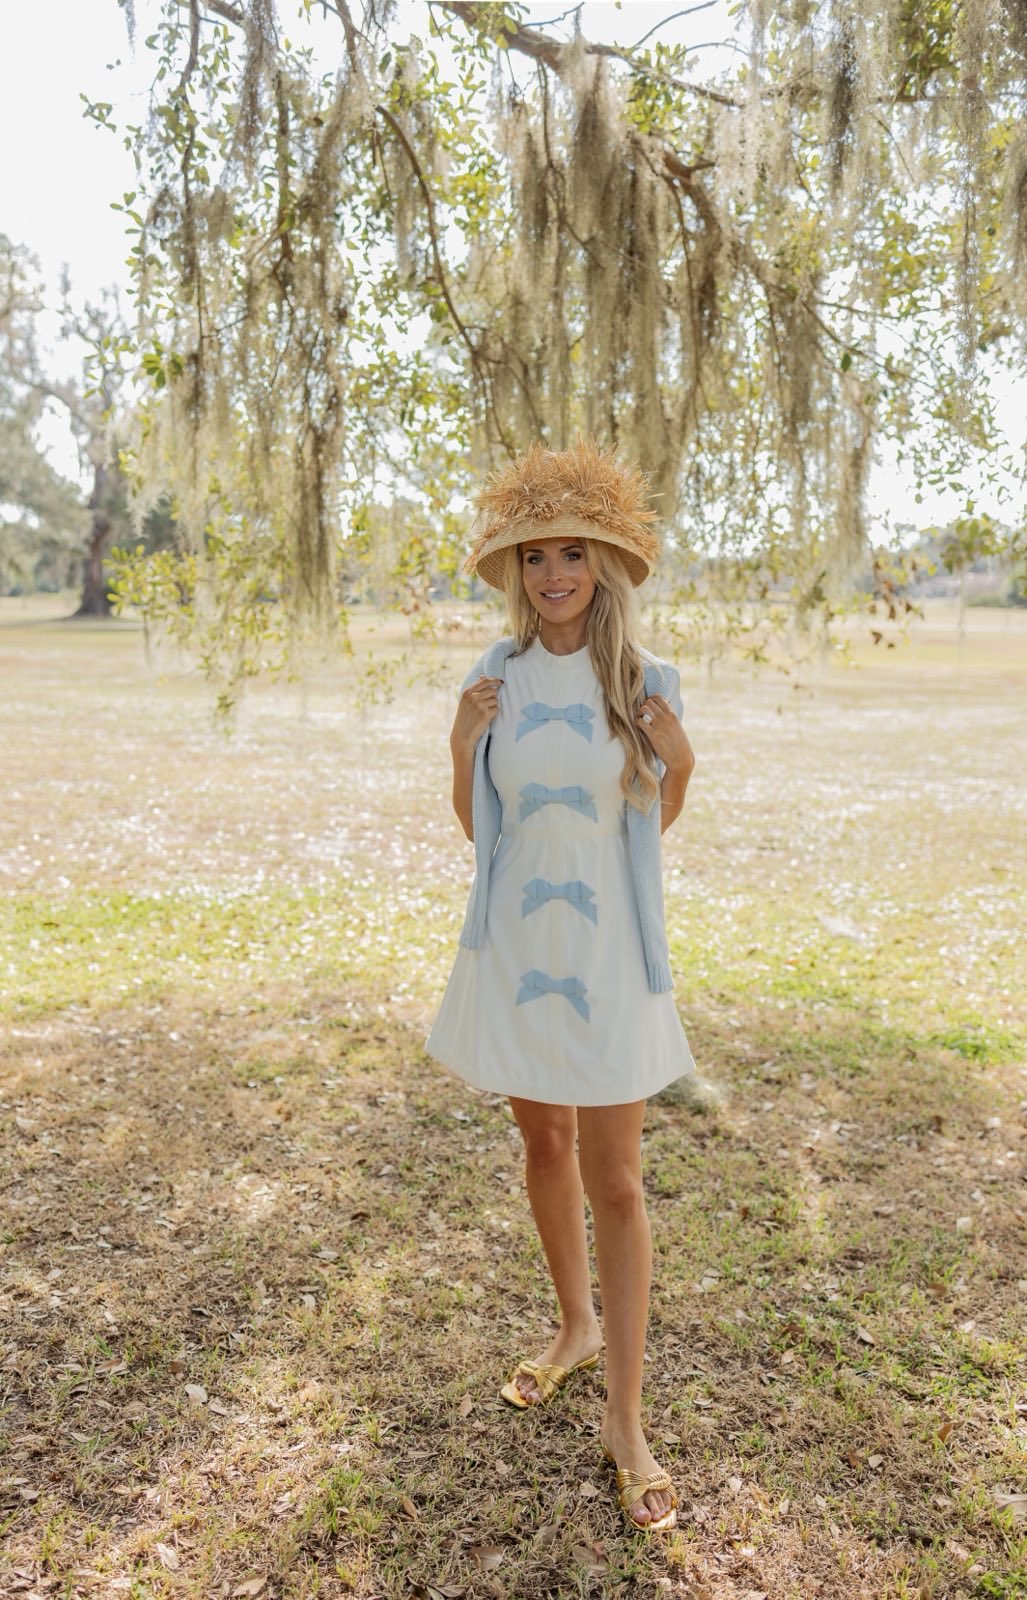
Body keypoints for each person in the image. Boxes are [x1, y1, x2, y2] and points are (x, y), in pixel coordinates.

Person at [425, 435, 697, 1532]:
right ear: (512, 572)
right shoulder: (488, 679)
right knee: (540, 1146)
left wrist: (682, 765)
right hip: (514, 948)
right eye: (534, 558)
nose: (553, 576)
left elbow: (651, 825)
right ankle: (572, 1325)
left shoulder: (639, 680)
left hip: (607, 957)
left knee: (618, 1180)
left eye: (571, 555)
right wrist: (458, 748)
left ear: (602, 568)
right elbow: (477, 828)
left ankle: (626, 1420)